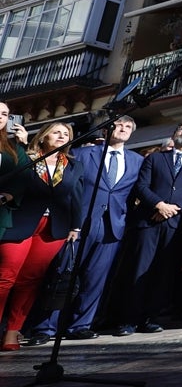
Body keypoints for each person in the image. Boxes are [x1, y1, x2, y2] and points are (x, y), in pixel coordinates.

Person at [32, 115, 143, 339]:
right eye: (118, 124)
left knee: (96, 279)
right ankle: (45, 327)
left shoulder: (138, 161)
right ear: (106, 129)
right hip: (78, 224)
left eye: (128, 126)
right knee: (62, 274)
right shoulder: (82, 154)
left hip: (112, 227)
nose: (123, 129)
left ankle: (80, 326)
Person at [117, 122, 182, 336]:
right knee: (138, 269)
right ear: (174, 135)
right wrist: (159, 205)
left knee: (163, 273)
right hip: (148, 222)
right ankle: (128, 320)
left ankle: (151, 318)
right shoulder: (156, 158)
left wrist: (173, 210)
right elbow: (141, 186)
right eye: (181, 129)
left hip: (176, 226)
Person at [2, 122, 83, 349]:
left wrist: (75, 227)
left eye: (66, 133)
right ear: (43, 136)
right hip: (20, 223)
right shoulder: (26, 157)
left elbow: (76, 197)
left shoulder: (73, 165)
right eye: (56, 132)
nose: (61, 136)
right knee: (6, 277)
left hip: (54, 229)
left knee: (30, 280)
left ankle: (12, 332)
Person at [0, 102, 30, 246]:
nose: (0, 117)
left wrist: (6, 196)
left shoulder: (13, 147)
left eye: (4, 114)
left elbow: (24, 175)